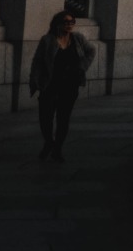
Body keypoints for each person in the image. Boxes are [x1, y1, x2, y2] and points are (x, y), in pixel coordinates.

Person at [29, 11, 95, 162]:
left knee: (63, 118)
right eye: (66, 22)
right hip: (50, 84)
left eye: (72, 22)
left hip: (70, 85)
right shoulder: (47, 40)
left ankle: (57, 149)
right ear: (58, 23)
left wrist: (82, 66)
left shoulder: (77, 38)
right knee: (45, 117)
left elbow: (91, 51)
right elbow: (37, 61)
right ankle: (49, 142)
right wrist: (36, 80)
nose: (70, 25)